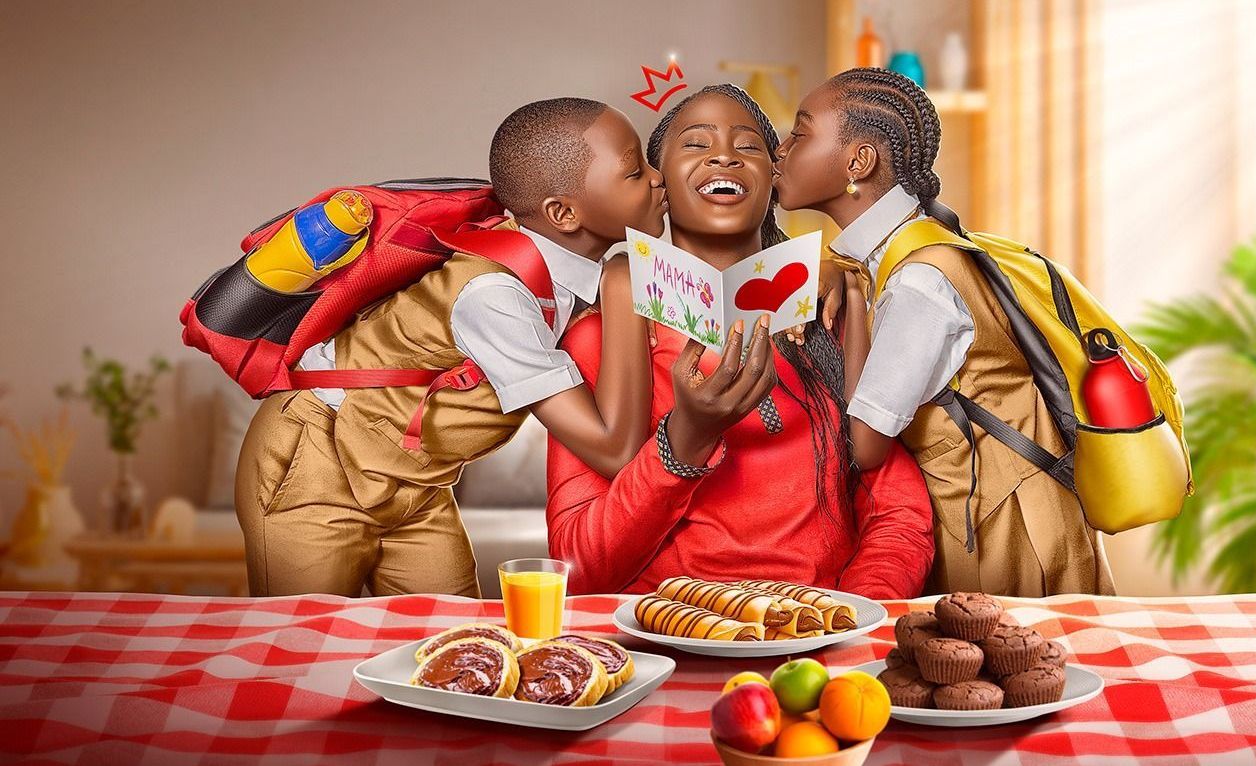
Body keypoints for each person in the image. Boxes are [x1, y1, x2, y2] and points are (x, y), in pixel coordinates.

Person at [235, 98, 663, 597]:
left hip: (414, 482)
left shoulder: (555, 272)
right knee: (305, 650)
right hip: (316, 463)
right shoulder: (495, 295)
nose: (657, 179)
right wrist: (622, 283)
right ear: (563, 213)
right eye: (635, 172)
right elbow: (616, 449)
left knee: (454, 650)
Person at [545, 84, 934, 599]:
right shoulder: (599, 337)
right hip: (665, 631)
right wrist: (683, 441)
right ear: (657, 182)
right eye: (695, 144)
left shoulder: (829, 313)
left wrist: (851, 618)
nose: (725, 155)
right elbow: (577, 566)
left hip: (817, 633)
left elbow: (898, 509)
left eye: (749, 145)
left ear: (776, 178)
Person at [773, 68, 1115, 596]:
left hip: (1009, 534)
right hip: (990, 514)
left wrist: (854, 298)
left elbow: (865, 448)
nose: (779, 148)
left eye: (800, 133)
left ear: (857, 162)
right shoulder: (912, 246)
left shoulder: (919, 282)